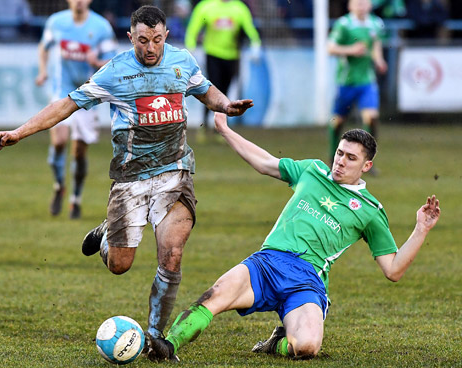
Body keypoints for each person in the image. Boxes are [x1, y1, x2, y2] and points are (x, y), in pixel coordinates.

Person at [0, 5, 253, 350]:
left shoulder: (182, 61)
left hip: (175, 173)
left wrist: (225, 105)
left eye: (157, 39)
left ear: (166, 36)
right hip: (131, 179)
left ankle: (157, 337)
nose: (151, 48)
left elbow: (205, 89)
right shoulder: (115, 72)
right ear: (130, 37)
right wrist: (19, 132)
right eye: (143, 40)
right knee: (119, 265)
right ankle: (107, 233)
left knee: (172, 255)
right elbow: (67, 104)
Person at [144, 112, 441, 362]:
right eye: (339, 153)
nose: (340, 162)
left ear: (366, 166)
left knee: (307, 347)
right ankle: (167, 346)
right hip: (267, 263)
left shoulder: (370, 210)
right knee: (214, 296)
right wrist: (224, 130)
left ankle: (278, 343)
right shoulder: (312, 170)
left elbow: (393, 270)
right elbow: (265, 162)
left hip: (306, 280)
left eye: (351, 158)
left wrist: (421, 229)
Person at [35, 0, 118, 219]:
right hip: (61, 89)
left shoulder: (101, 27)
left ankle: (76, 199)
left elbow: (113, 62)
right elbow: (43, 47)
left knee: (79, 152)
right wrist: (43, 71)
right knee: (59, 141)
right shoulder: (56, 22)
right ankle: (59, 185)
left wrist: (97, 61)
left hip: (88, 92)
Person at [184, 0, 261, 142]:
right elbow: (193, 28)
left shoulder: (239, 8)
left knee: (225, 91)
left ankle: (219, 128)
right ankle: (204, 125)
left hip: (232, 56)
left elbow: (250, 29)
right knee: (211, 89)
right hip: (213, 55)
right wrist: (191, 47)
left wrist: (255, 45)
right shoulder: (206, 6)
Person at [327, 0, 387, 173]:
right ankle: (333, 155)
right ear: (350, 6)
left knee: (372, 118)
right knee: (337, 122)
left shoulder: (375, 23)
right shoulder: (344, 24)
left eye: (364, 2)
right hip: (346, 81)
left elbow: (375, 45)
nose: (361, 5)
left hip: (366, 81)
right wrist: (351, 50)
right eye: (358, 2)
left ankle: (366, 161)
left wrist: (379, 60)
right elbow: (330, 48)